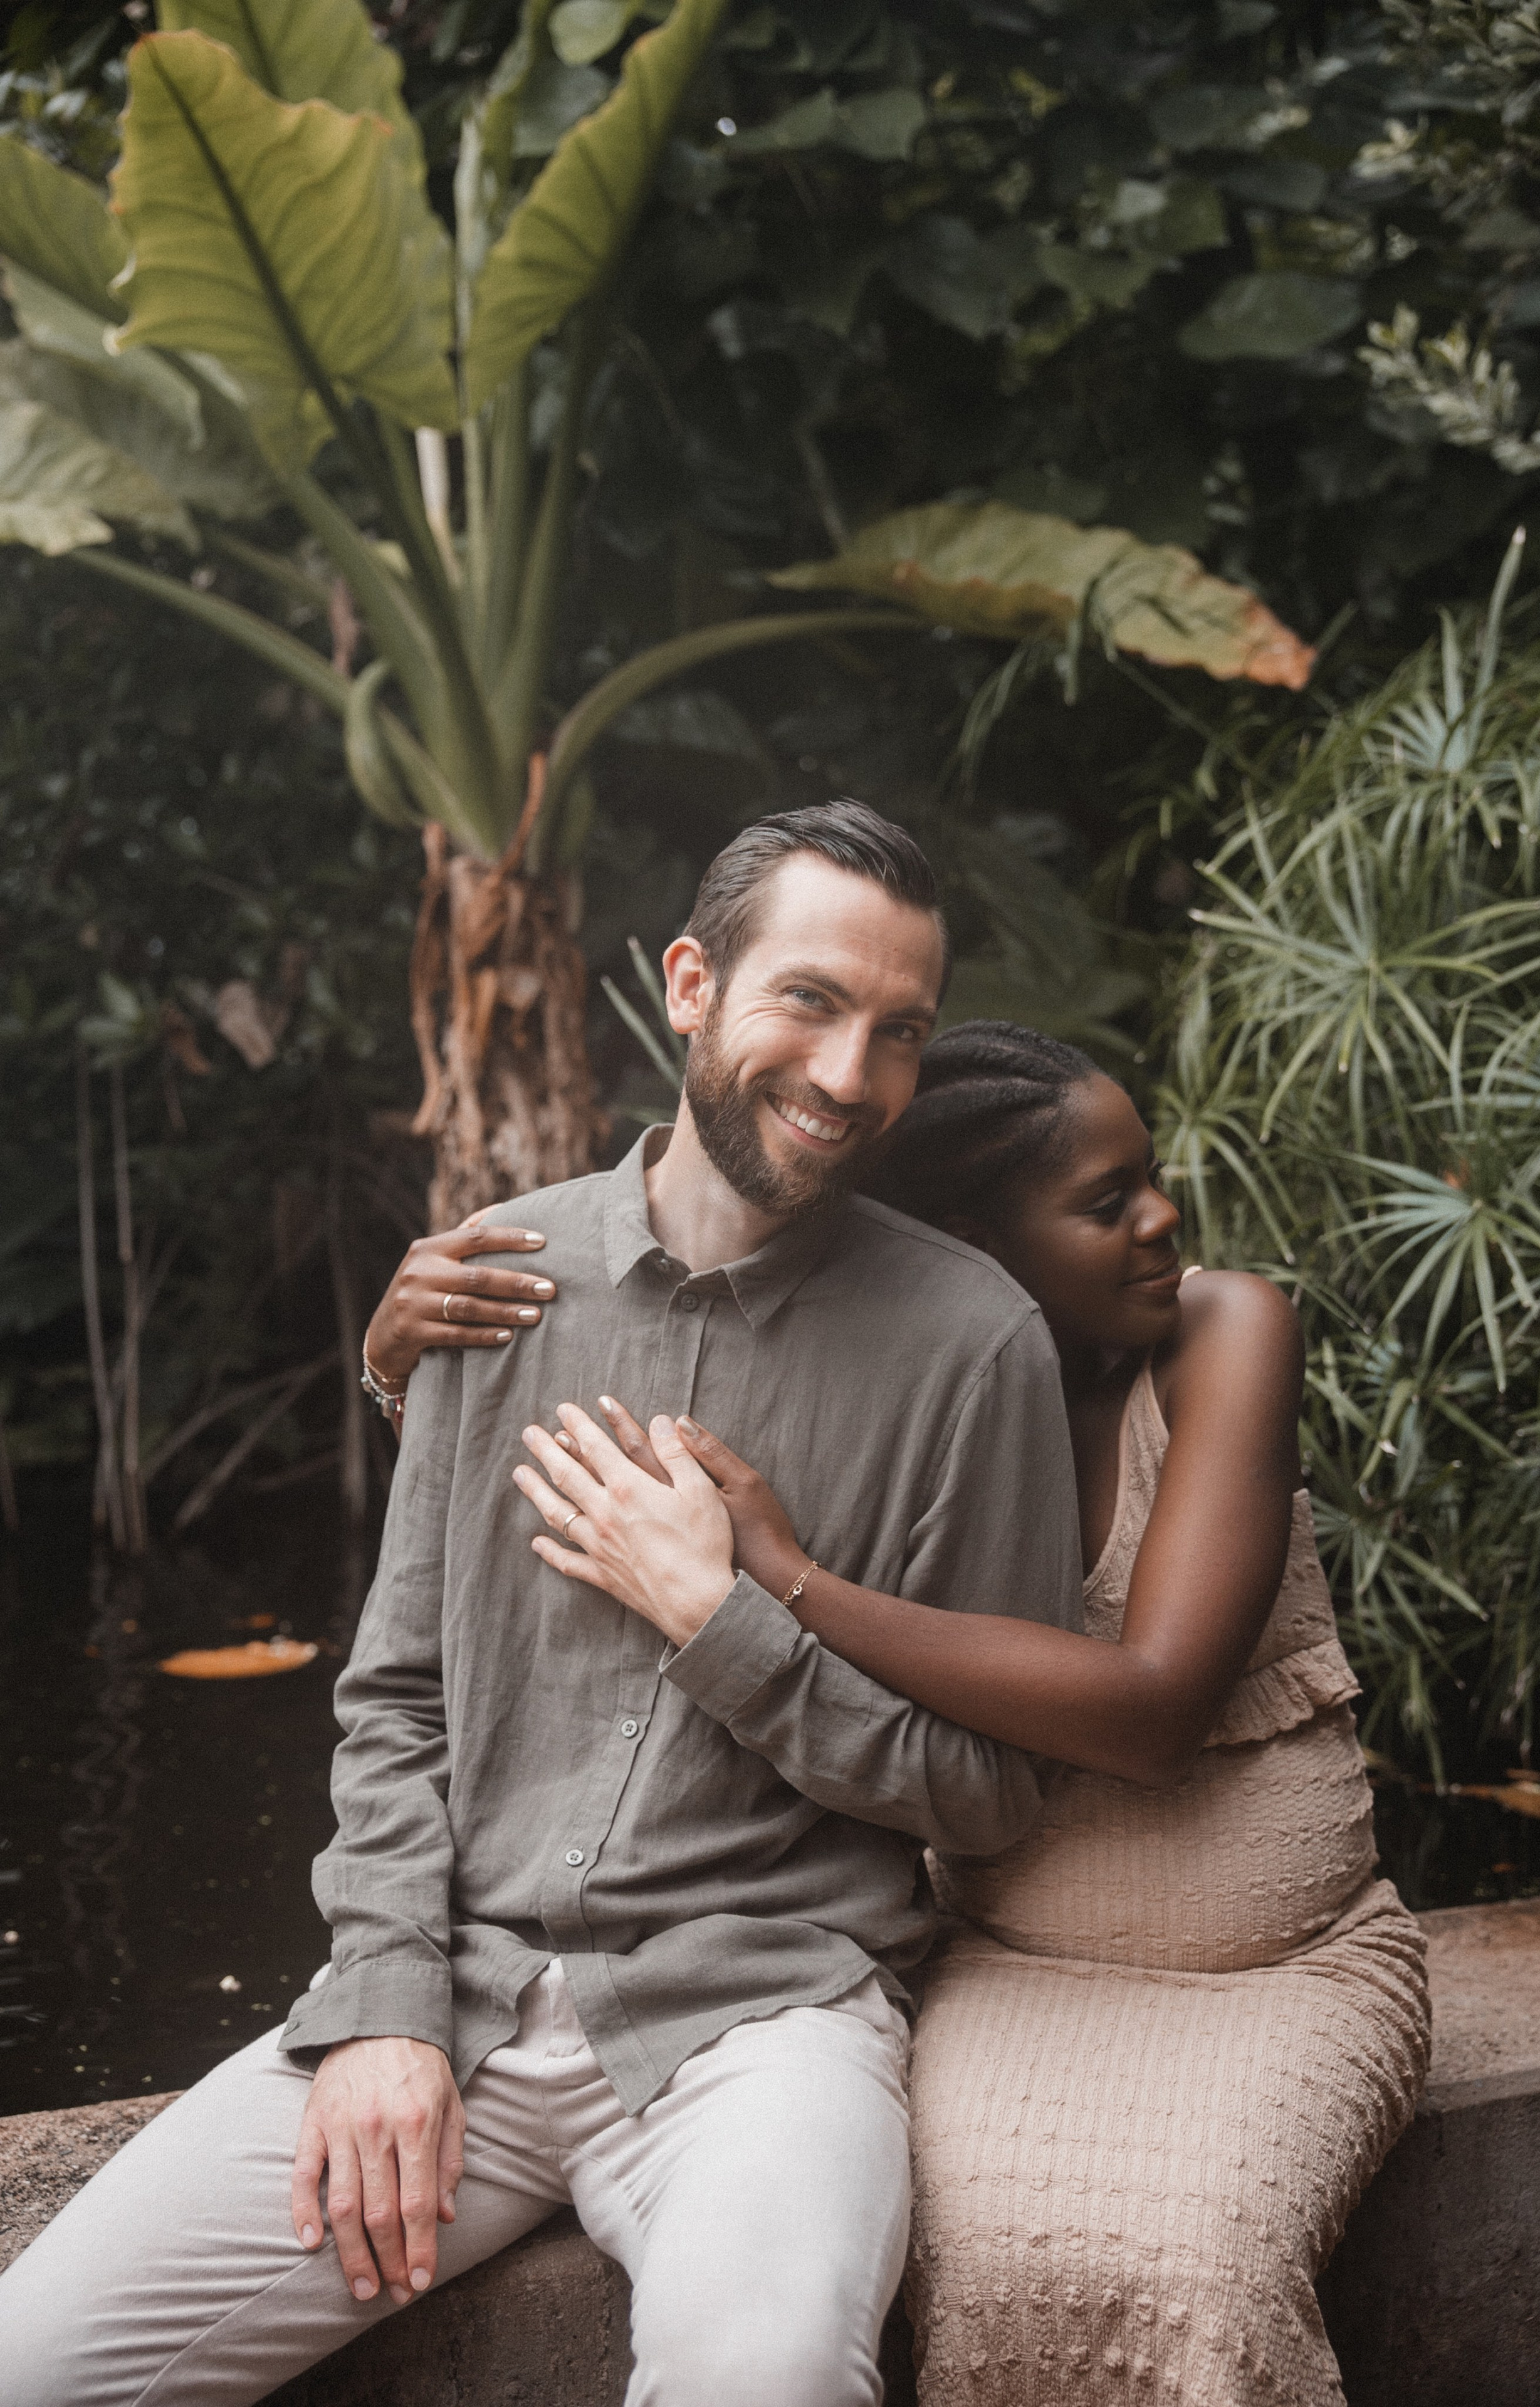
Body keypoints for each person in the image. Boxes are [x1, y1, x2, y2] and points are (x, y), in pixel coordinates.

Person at [0, 805, 1085, 2407]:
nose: (852, 1077)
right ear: (691, 985)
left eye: (899, 1031)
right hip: (455, 1986)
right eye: (810, 1001)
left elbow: (989, 1799)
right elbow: (395, 1702)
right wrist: (382, 2007)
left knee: (766, 2375)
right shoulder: (489, 1280)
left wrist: (722, 1624)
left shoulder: (975, 1346)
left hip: (763, 2025)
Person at [431, 1020, 1429, 2406]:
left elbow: (1150, 1708)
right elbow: (564, 1496)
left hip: (1284, 1971)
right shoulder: (895, 1378)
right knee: (980, 2253)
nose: (1160, 1222)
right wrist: (393, 1358)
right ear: (968, 1248)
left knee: (1197, 2263)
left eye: (1149, 1178)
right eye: (1102, 1203)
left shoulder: (1223, 1330)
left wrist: (787, 1579)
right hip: (1005, 1974)